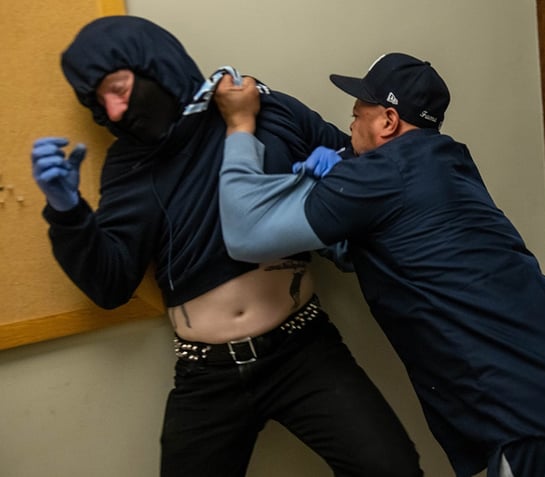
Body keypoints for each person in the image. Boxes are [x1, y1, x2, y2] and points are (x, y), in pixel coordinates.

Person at [215, 53, 545, 477]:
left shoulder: (383, 174)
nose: (349, 127)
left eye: (357, 114)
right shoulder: (449, 160)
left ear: (387, 121)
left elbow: (245, 235)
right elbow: (394, 250)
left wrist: (239, 127)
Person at [29, 17, 423, 477]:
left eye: (117, 88)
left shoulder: (262, 109)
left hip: (304, 350)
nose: (114, 112)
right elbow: (111, 283)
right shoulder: (130, 166)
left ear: (154, 65)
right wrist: (67, 212)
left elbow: (364, 166)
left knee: (392, 468)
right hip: (207, 375)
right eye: (100, 102)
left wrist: (336, 169)